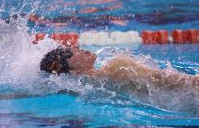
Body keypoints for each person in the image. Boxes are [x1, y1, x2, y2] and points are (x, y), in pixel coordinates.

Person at [40, 46, 199, 90]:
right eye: (69, 52)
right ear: (73, 71)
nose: (76, 47)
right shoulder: (115, 70)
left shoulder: (118, 66)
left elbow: (170, 80)